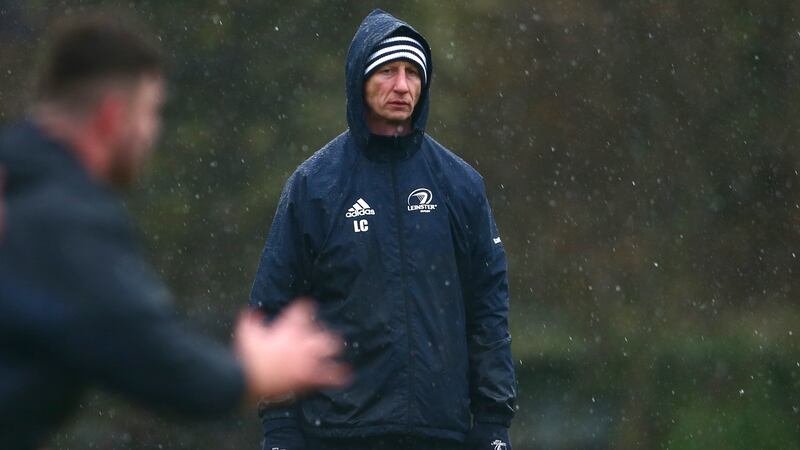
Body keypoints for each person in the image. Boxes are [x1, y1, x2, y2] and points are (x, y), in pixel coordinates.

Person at [0, 15, 348, 450]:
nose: (152, 133)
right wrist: (251, 374)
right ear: (111, 118)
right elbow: (155, 358)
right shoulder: (68, 217)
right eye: (151, 113)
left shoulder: (19, 178)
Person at [250, 9, 516, 450]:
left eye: (413, 72)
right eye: (388, 71)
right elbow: (273, 309)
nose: (402, 86)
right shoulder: (314, 186)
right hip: (335, 435)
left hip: (442, 435)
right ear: (360, 79)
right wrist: (279, 427)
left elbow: (488, 310)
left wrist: (493, 422)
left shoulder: (460, 185)